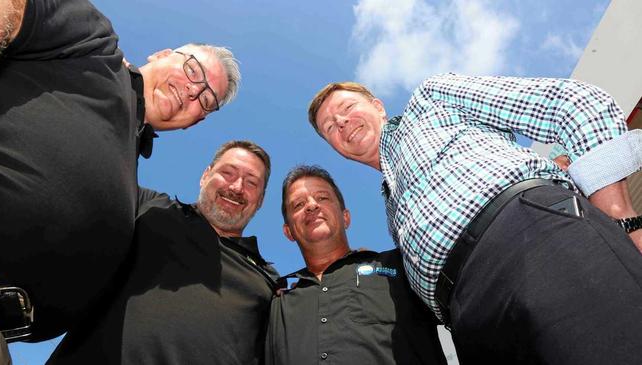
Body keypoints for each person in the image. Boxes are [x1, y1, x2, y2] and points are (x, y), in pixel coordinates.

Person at [308, 75, 642, 364]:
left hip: (532, 239)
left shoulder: (431, 101)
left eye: (348, 108)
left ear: (378, 106)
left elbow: (572, 102)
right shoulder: (391, 207)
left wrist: (620, 218)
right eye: (329, 127)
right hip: (470, 321)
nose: (341, 123)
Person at [0, 0, 241, 357]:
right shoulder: (96, 46)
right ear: (160, 54)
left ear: (195, 123)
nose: (192, 91)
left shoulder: (132, 171)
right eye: (192, 70)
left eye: (206, 99)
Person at [46, 140, 278, 364]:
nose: (237, 187)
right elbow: (78, 171)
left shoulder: (270, 282)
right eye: (228, 173)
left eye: (251, 183)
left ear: (260, 201)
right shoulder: (147, 207)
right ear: (205, 176)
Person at [266, 165, 447, 365]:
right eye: (298, 204)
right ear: (288, 232)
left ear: (346, 218)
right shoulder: (275, 300)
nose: (311, 205)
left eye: (322, 198)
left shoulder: (401, 265)